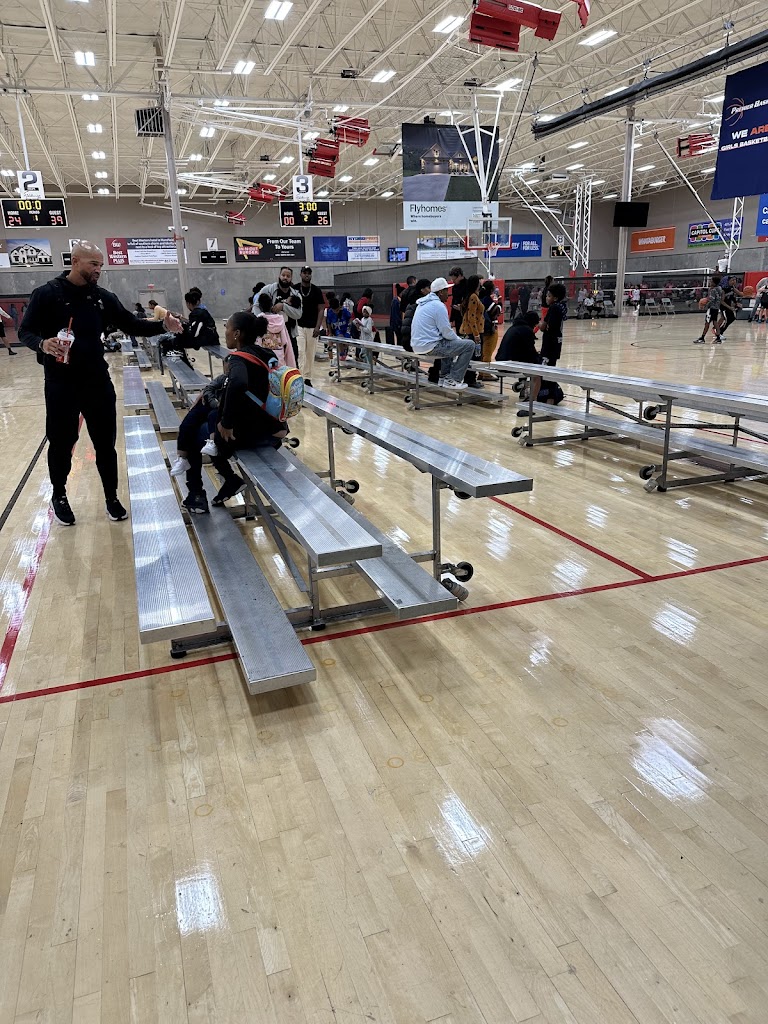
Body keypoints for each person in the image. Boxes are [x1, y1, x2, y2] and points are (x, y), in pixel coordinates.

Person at [19, 240, 181, 525]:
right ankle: (59, 494)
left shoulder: (103, 298)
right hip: (60, 383)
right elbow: (25, 331)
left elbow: (131, 324)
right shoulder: (46, 294)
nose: (98, 270)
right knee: (62, 442)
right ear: (75, 262)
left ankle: (111, 497)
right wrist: (42, 344)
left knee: (106, 444)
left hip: (96, 379)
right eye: (93, 264)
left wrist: (162, 326)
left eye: (101, 265)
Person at [180, 311, 288, 515]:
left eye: (227, 328)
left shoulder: (238, 358)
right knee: (211, 425)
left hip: (253, 434)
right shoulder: (267, 354)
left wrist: (227, 422)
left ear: (237, 333)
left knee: (197, 435)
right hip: (273, 429)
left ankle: (197, 495)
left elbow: (238, 383)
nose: (225, 332)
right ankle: (228, 479)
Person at [409, 277, 475, 391]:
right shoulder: (438, 306)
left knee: (448, 343)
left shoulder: (423, 304)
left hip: (417, 345)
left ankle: (444, 377)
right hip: (429, 347)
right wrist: (459, 341)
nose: (448, 294)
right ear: (440, 292)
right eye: (446, 291)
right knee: (469, 345)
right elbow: (447, 332)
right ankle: (454, 379)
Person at [259, 268, 302, 362]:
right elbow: (256, 306)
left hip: (289, 333)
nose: (285, 278)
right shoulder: (268, 289)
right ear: (279, 276)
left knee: (292, 360)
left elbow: (298, 314)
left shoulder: (296, 295)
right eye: (283, 275)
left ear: (291, 278)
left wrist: (283, 306)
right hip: (269, 334)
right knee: (270, 361)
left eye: (288, 276)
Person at [295, 265, 324, 386]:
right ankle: (299, 376)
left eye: (308, 273)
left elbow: (321, 309)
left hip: (312, 327)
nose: (307, 275)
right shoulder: (295, 288)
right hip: (298, 326)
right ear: (301, 274)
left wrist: (318, 326)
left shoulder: (316, 290)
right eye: (304, 273)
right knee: (300, 351)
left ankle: (307, 378)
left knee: (310, 353)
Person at [255, 292, 296, 368]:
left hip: (263, 357)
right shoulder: (279, 320)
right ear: (271, 305)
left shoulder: (258, 321)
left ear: (260, 306)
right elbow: (286, 342)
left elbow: (257, 341)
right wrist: (291, 365)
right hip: (279, 357)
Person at [539, 282, 567, 366]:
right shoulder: (562, 306)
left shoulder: (553, 308)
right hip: (557, 340)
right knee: (552, 363)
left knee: (545, 365)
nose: (546, 298)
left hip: (549, 342)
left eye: (549, 296)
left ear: (555, 298)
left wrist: (539, 323)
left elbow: (543, 327)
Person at [400, 279, 431, 353]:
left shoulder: (410, 303)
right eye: (429, 288)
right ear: (422, 290)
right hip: (414, 344)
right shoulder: (421, 305)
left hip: (406, 342)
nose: (431, 290)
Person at [695, 273, 725, 344]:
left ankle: (702, 338)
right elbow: (721, 296)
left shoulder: (712, 290)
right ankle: (718, 338)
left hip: (712, 308)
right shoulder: (719, 288)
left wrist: (705, 304)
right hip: (717, 307)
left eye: (711, 281)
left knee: (707, 323)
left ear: (714, 283)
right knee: (715, 322)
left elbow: (712, 299)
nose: (710, 282)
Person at [459, 275, 484, 357]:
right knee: (475, 357)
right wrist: (476, 334)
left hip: (472, 331)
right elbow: (471, 316)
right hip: (473, 332)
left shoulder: (472, 296)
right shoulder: (473, 297)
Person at [479, 280, 501, 362]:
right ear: (491, 290)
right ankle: (485, 370)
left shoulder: (479, 298)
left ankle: (481, 369)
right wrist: (500, 304)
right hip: (489, 328)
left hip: (481, 328)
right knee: (487, 352)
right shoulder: (487, 300)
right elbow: (495, 311)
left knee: (482, 352)